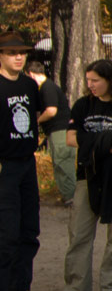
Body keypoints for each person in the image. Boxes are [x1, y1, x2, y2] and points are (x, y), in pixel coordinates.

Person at [52, 59, 112, 291]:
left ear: (110, 81)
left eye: (95, 81)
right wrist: (105, 140)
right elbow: (70, 139)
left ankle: (111, 288)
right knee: (79, 233)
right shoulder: (82, 106)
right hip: (87, 175)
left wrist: (90, 141)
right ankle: (76, 290)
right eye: (88, 80)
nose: (90, 85)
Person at [0, 31, 43, 291]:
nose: (18, 56)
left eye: (22, 52)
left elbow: (35, 117)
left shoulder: (29, 85)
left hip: (27, 163)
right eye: (12, 52)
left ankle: (18, 289)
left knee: (29, 228)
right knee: (6, 231)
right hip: (4, 165)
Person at [26, 61, 76, 204]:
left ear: (31, 74)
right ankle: (67, 195)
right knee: (60, 162)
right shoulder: (46, 87)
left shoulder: (47, 88)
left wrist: (37, 121)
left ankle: (71, 197)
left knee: (63, 162)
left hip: (60, 130)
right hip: (57, 130)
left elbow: (51, 111)